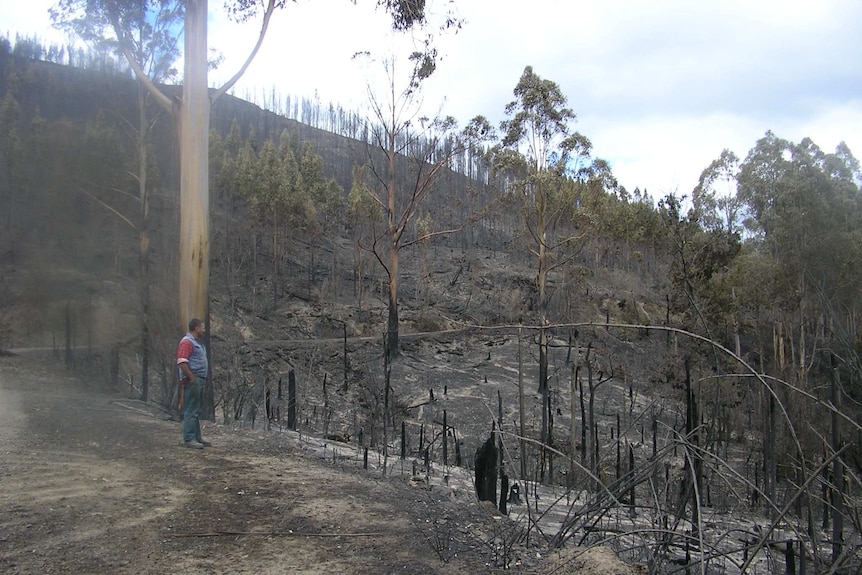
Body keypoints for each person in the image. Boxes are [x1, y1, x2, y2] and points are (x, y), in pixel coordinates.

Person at [176, 318, 211, 449]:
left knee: (196, 409)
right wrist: (191, 378)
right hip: (194, 380)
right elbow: (181, 361)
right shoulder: (187, 342)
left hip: (198, 379)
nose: (204, 330)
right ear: (196, 328)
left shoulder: (195, 342)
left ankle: (196, 437)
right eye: (202, 327)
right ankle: (189, 438)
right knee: (191, 409)